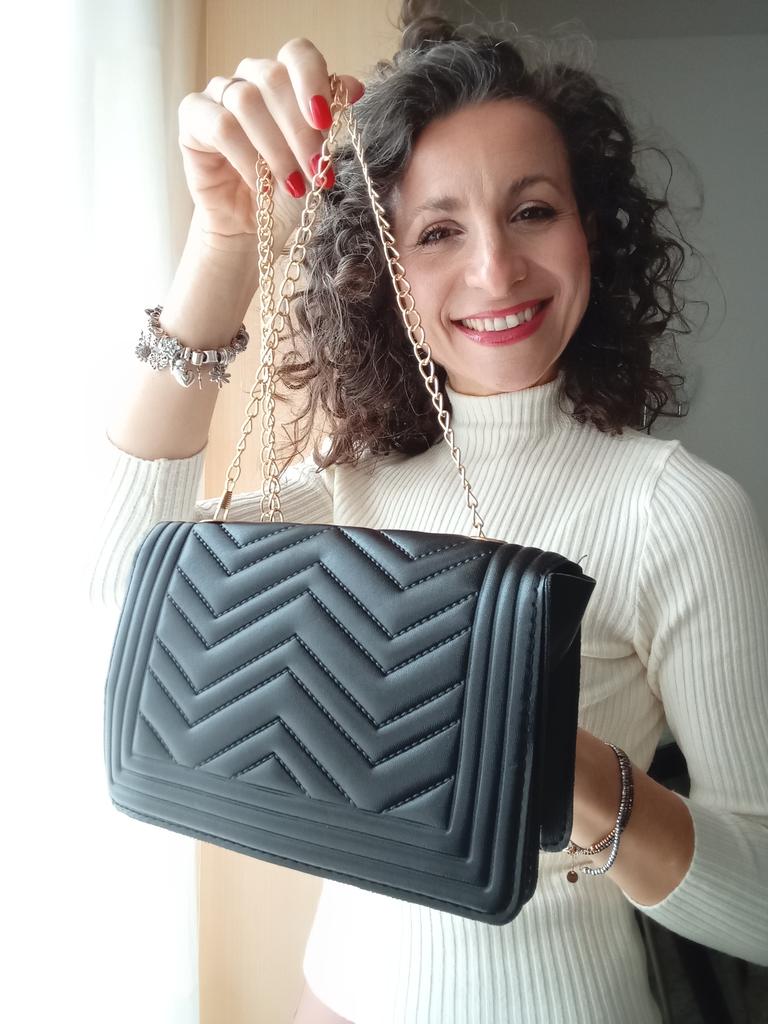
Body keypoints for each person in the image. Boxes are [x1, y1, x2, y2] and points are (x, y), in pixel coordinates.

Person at [91, 5, 768, 1022]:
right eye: (440, 229)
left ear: (591, 230)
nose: (496, 268)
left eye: (532, 210)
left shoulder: (677, 511)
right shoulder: (355, 479)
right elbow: (132, 601)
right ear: (388, 267)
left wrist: (569, 766)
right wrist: (224, 241)